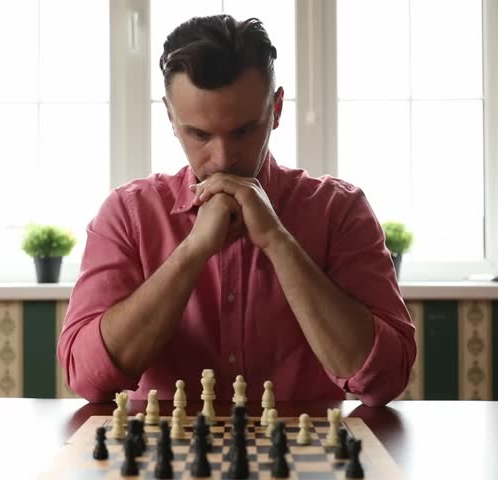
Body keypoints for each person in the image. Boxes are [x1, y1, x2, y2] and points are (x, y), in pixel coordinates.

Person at [57, 14, 415, 407]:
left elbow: (383, 379)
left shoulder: (341, 211)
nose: (223, 158)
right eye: (199, 134)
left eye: (244, 131)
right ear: (171, 119)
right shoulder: (126, 214)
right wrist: (192, 252)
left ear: (276, 110)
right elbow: (86, 376)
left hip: (303, 461)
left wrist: (278, 241)